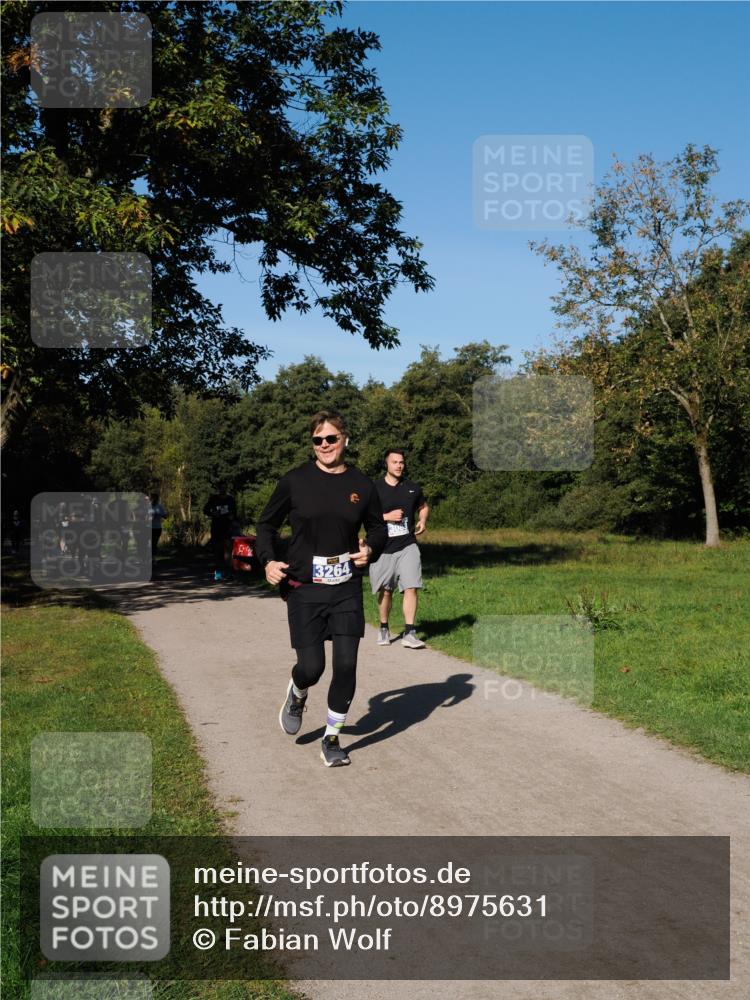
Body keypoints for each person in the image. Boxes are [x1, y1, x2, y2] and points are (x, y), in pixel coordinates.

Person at [255, 410, 387, 768]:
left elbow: (378, 529)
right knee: (312, 667)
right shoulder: (294, 481)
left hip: (345, 585)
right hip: (304, 587)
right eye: (318, 440)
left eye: (331, 438)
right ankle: (298, 693)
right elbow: (266, 525)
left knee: (345, 665)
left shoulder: (362, 484)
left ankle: (331, 738)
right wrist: (268, 560)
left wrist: (369, 549)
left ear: (345, 440)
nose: (324, 445)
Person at [369, 448, 429, 648]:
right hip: (382, 548)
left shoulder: (412, 488)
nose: (399, 465)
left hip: (407, 545)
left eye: (401, 462)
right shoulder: (374, 489)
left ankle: (409, 632)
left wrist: (422, 520)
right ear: (386, 464)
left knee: (411, 587)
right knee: (386, 591)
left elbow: (423, 506)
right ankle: (384, 627)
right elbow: (364, 515)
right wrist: (386, 517)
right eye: (395, 462)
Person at [203, 486, 236, 581]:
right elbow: (205, 510)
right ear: (219, 490)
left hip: (228, 528)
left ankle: (229, 573)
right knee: (218, 551)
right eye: (221, 487)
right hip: (216, 528)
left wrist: (232, 516)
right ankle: (218, 574)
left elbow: (235, 512)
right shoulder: (213, 499)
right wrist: (213, 514)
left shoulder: (231, 499)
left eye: (224, 487)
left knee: (228, 552)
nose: (223, 490)